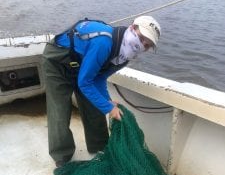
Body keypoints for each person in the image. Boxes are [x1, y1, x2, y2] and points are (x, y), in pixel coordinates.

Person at [42, 15, 161, 167]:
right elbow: (85, 83)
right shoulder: (103, 43)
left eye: (148, 44)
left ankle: (99, 147)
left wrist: (107, 101)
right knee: (59, 110)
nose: (143, 44)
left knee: (94, 106)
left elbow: (99, 77)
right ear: (132, 27)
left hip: (81, 66)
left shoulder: (125, 55)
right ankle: (62, 156)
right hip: (57, 63)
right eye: (142, 37)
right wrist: (109, 108)